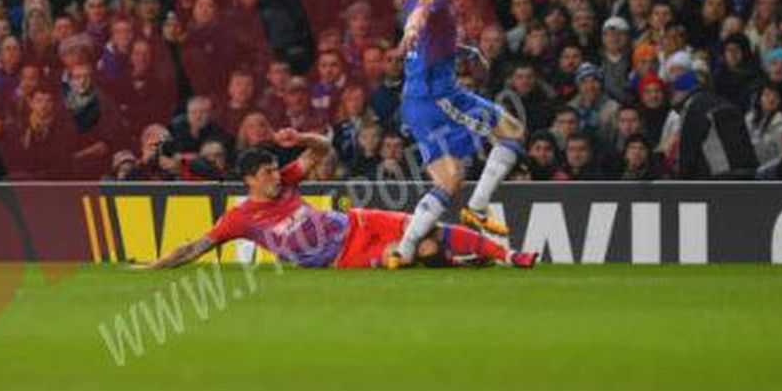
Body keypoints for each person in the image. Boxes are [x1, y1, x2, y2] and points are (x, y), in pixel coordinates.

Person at [143, 128, 537, 270]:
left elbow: (323, 148)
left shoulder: (287, 181)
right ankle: (463, 263)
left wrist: (300, 139)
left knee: (431, 231)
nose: (276, 176)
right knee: (422, 250)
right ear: (249, 180)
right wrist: (151, 268)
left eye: (276, 169)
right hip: (343, 258)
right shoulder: (241, 219)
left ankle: (509, 255)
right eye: (267, 173)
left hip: (359, 221)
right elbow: (194, 248)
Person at [390, 0, 525, 267]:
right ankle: (478, 208)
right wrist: (410, 29)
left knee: (449, 180)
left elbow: (430, 35)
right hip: (439, 97)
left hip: (416, 102)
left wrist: (462, 51)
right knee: (510, 131)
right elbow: (421, 16)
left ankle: (404, 250)